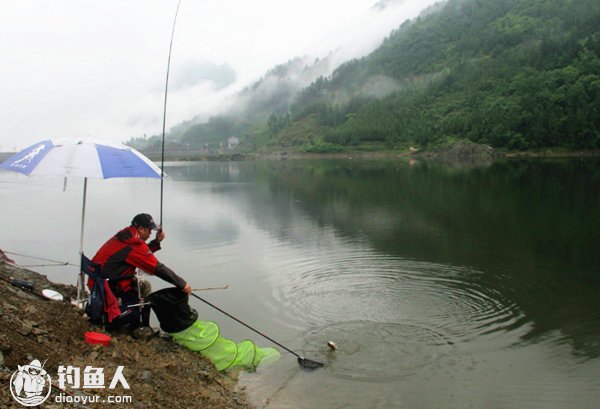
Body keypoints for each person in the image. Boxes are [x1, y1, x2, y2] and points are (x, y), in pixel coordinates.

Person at [89, 213, 191, 329]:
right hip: (106, 286)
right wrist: (182, 284)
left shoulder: (126, 236)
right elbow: (157, 268)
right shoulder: (134, 244)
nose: (150, 233)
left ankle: (140, 323)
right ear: (141, 229)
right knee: (144, 287)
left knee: (144, 285)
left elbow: (140, 256)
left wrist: (156, 242)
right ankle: (141, 325)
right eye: (149, 230)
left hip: (97, 281)